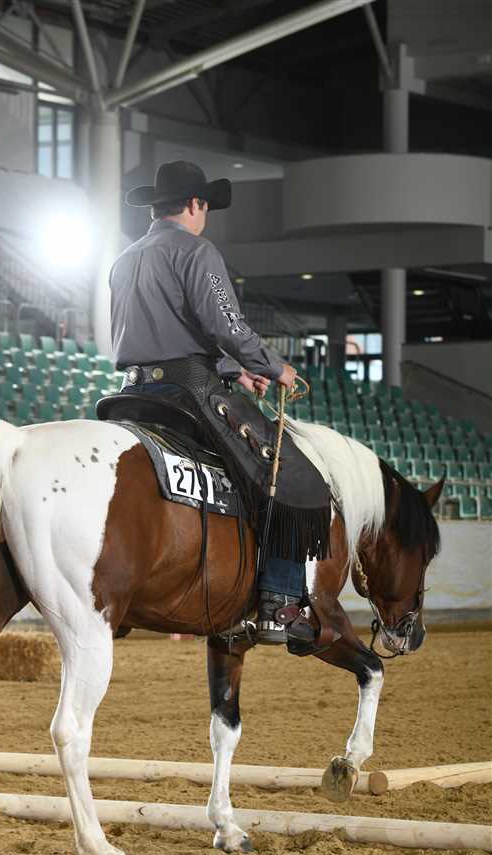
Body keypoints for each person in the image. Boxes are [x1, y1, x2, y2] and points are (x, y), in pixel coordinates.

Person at [108, 161, 331, 646]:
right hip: (187, 393)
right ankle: (280, 602)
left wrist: (234, 371)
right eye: (204, 206)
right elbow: (224, 324)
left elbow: (168, 330)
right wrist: (273, 366)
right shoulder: (197, 250)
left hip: (131, 394)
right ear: (195, 204)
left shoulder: (124, 259)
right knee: (286, 472)